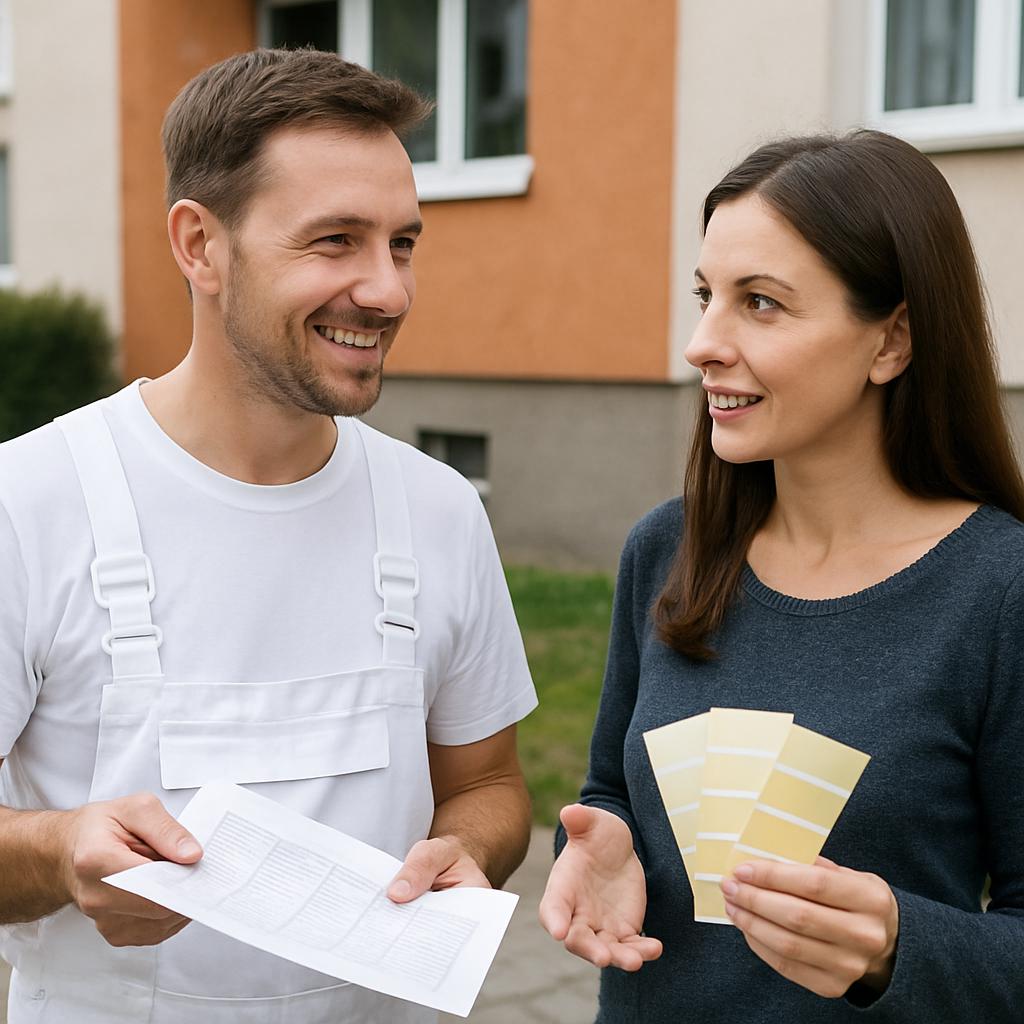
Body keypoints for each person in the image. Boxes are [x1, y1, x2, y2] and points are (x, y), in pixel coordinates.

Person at [0, 48, 537, 1024]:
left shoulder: (439, 511)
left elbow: (491, 782)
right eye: (335, 241)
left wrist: (473, 845)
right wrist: (56, 846)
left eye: (402, 243)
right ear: (200, 246)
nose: (388, 290)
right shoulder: (27, 505)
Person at [539, 129, 1024, 1022]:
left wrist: (895, 949)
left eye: (759, 303)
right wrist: (602, 840)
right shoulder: (667, 550)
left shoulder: (1000, 593)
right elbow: (609, 786)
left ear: (892, 342)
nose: (701, 344)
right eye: (705, 295)